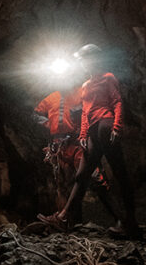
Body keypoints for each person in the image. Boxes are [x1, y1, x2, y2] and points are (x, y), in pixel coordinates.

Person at [39, 45, 140, 238]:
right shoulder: (86, 85)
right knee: (82, 175)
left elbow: (117, 102)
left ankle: (131, 224)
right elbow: (85, 113)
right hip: (93, 131)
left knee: (120, 174)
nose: (81, 64)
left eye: (83, 60)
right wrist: (83, 135)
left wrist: (117, 127)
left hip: (106, 126)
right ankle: (63, 217)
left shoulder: (108, 77)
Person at [33, 86, 118, 226]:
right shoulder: (53, 96)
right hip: (60, 147)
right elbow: (35, 114)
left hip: (79, 144)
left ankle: (121, 219)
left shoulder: (82, 93)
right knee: (64, 185)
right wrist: (49, 124)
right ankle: (70, 223)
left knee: (96, 180)